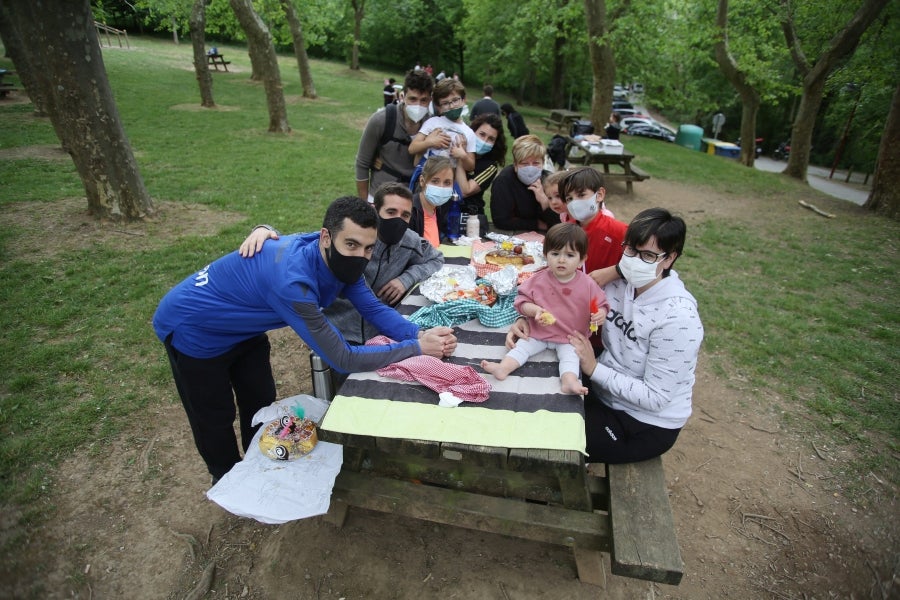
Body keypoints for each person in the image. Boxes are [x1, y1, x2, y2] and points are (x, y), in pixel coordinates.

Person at [153, 196, 457, 482]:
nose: (360, 257)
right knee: (214, 415)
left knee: (259, 399)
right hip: (193, 326)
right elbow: (342, 357)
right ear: (326, 237)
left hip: (243, 327)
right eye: (351, 244)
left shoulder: (336, 256)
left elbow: (374, 309)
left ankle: (259, 463)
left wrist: (416, 333)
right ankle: (227, 478)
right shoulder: (293, 283)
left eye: (368, 248)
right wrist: (415, 348)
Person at [507, 208, 704, 463]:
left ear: (669, 258)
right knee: (525, 399)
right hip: (602, 391)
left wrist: (594, 368)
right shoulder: (619, 284)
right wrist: (527, 318)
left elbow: (656, 398)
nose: (633, 260)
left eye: (647, 255)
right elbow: (563, 304)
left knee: (546, 438)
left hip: (641, 422)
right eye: (630, 250)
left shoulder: (679, 319)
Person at [239, 182, 444, 344]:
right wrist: (263, 229)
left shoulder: (409, 241)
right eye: (391, 212)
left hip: (381, 329)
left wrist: (406, 279)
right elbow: (302, 242)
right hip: (338, 328)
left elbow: (436, 258)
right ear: (375, 211)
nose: (398, 220)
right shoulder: (347, 238)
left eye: (405, 215)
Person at [482, 223, 609, 395]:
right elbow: (521, 302)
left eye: (570, 255)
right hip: (539, 332)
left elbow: (600, 303)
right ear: (545, 255)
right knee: (522, 347)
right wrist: (534, 310)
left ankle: (569, 381)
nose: (561, 260)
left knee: (571, 358)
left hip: (569, 336)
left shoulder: (587, 284)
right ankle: (503, 368)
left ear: (582, 260)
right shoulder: (538, 279)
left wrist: (600, 314)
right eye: (555, 254)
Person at [355, 69, 434, 202]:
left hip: (414, 200)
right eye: (413, 99)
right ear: (402, 96)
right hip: (380, 197)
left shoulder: (432, 125)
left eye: (424, 100)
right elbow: (362, 163)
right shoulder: (381, 120)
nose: (418, 105)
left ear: (430, 100)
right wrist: (364, 204)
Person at [559, 166, 626, 278]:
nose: (575, 203)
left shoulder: (618, 231)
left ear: (599, 195)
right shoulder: (566, 229)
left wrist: (615, 272)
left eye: (581, 195)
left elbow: (643, 262)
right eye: (569, 199)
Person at [489, 134, 560, 233]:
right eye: (524, 164)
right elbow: (500, 220)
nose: (530, 168)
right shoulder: (504, 181)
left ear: (543, 163)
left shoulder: (549, 181)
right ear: (515, 165)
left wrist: (544, 200)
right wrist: (537, 224)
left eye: (536, 163)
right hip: (513, 234)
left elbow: (560, 222)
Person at [454, 112, 506, 237]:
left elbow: (464, 191)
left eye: (491, 139)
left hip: (469, 218)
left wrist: (461, 158)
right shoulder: (452, 146)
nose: (484, 141)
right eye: (482, 134)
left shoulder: (490, 166)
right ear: (472, 132)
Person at [408, 78, 476, 172]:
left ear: (463, 100)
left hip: (449, 180)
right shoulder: (432, 122)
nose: (451, 106)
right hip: (425, 175)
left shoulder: (469, 133)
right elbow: (412, 148)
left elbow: (471, 167)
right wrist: (430, 142)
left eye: (455, 100)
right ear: (438, 107)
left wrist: (463, 156)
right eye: (445, 103)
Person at [410, 155, 455, 247]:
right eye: (435, 181)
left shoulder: (439, 208)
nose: (441, 187)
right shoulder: (410, 212)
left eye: (447, 182)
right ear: (422, 181)